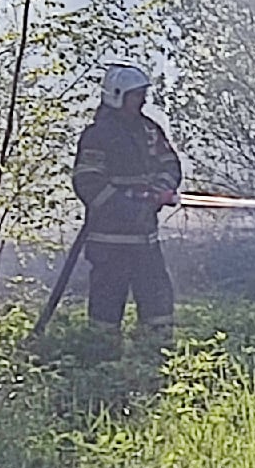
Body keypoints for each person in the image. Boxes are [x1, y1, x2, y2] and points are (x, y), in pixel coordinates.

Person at [71, 63, 182, 341]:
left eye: (143, 94)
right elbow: (88, 182)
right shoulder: (98, 136)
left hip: (145, 240)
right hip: (110, 242)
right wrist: (130, 207)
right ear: (117, 95)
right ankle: (102, 362)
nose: (142, 100)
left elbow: (170, 164)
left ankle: (156, 354)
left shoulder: (149, 130)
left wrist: (159, 190)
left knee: (158, 303)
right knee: (105, 311)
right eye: (136, 95)